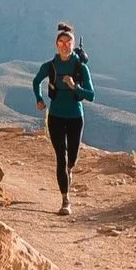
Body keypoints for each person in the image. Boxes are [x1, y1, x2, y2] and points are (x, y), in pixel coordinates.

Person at [32, 23, 93, 215]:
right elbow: (36, 81)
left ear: (73, 45)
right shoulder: (50, 66)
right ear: (56, 44)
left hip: (75, 117)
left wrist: (75, 87)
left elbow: (91, 95)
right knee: (61, 157)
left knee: (71, 158)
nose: (65, 45)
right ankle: (65, 200)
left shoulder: (80, 68)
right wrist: (39, 99)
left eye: (68, 42)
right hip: (56, 117)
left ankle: (70, 169)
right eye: (61, 42)